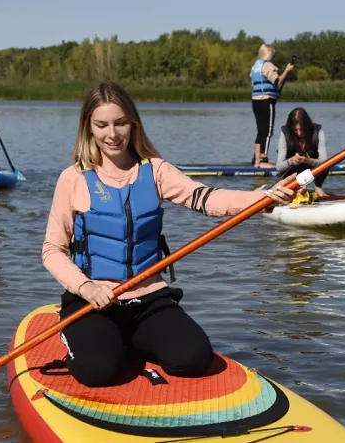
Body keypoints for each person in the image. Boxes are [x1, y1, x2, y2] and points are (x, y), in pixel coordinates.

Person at [42, 82, 299, 387]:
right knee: (96, 371)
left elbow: (207, 198)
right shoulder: (72, 179)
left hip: (147, 299)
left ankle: (127, 340)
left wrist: (263, 198)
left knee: (194, 358)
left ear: (133, 123)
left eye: (120, 123)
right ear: (89, 127)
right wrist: (85, 287)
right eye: (102, 125)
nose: (112, 134)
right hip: (92, 302)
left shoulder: (156, 170)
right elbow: (52, 250)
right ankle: (88, 336)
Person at [249, 44, 293, 168]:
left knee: (261, 131)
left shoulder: (255, 67)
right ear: (269, 54)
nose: (273, 57)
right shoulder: (268, 65)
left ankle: (256, 160)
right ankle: (263, 160)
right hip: (266, 101)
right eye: (273, 55)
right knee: (267, 131)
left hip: (255, 101)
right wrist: (287, 71)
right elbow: (277, 82)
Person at [276, 107, 329, 199]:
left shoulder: (318, 131)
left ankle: (318, 187)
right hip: (291, 171)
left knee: (328, 163)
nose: (299, 133)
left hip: (312, 166)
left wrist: (308, 160)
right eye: (295, 130)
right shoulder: (284, 133)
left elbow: (324, 162)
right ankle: (295, 189)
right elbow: (279, 167)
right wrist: (291, 161)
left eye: (302, 129)